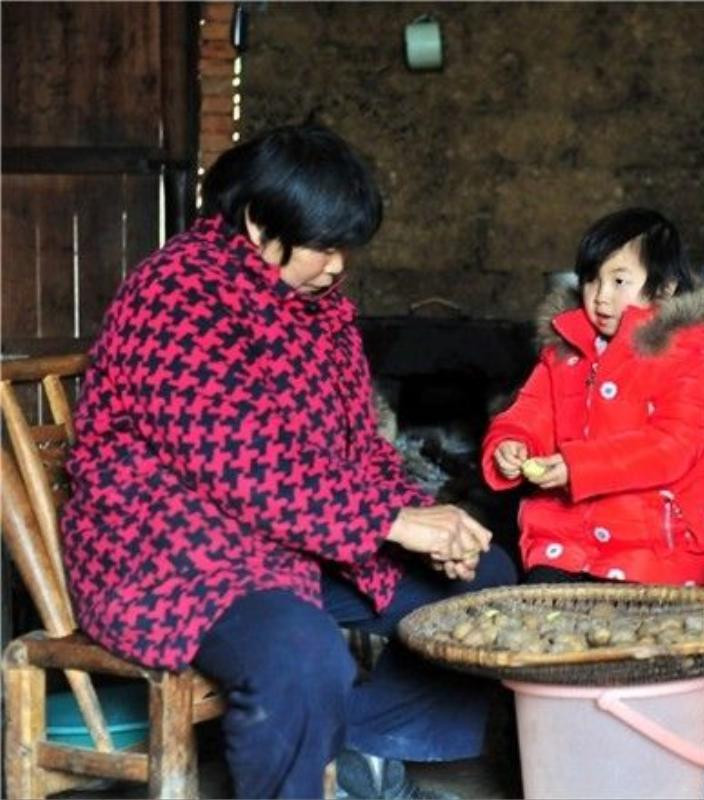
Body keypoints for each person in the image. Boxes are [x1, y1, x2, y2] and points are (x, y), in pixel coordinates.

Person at [61, 123, 516, 800]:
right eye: (324, 246)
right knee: (301, 656)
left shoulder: (318, 311)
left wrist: (431, 519)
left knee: (488, 583)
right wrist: (393, 523)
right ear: (256, 221)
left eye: (345, 249)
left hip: (299, 538)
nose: (337, 267)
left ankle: (361, 747)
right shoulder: (175, 296)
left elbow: (359, 449)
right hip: (175, 551)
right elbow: (243, 467)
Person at [481, 207, 704, 587]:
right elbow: (532, 411)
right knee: (540, 612)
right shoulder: (566, 347)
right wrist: (511, 443)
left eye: (619, 281)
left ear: (665, 286)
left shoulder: (691, 348)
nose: (601, 297)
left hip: (662, 546)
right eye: (591, 280)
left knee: (629, 633)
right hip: (568, 540)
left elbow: (672, 445)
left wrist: (579, 467)